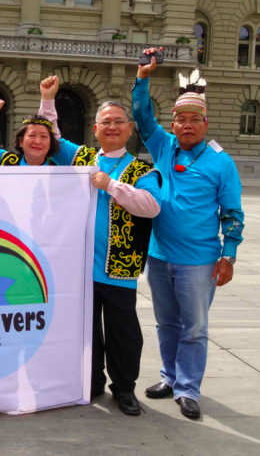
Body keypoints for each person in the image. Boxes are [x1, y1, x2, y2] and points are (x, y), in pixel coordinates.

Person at [134, 48, 244, 419]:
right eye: (180, 119)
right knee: (167, 323)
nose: (186, 126)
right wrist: (143, 78)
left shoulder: (221, 162)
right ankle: (170, 377)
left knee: (194, 328)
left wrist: (228, 255)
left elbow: (232, 213)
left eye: (194, 120)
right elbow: (142, 116)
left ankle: (188, 388)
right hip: (159, 256)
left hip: (199, 261)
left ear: (205, 124)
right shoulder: (163, 146)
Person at [51, 97, 162, 416]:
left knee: (122, 331)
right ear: (95, 129)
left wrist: (111, 185)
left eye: (118, 122)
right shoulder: (83, 157)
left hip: (118, 267)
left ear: (129, 130)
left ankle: (124, 388)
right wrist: (48, 99)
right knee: (85, 328)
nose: (111, 127)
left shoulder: (143, 169)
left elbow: (152, 206)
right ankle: (92, 380)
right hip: (80, 266)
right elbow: (52, 140)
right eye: (105, 122)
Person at [0, 76, 61, 166]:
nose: (37, 141)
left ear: (50, 144)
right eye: (32, 135)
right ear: (20, 141)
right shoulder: (6, 160)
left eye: (44, 137)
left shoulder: (60, 171)